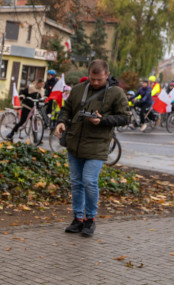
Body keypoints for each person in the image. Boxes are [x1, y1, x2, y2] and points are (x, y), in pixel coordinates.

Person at [53, 60, 129, 237]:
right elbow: (66, 109)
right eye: (92, 79)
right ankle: (78, 218)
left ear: (107, 76)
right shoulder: (78, 89)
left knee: (89, 181)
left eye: (99, 80)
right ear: (88, 74)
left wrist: (102, 120)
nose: (95, 83)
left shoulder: (116, 93)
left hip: (97, 144)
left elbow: (125, 118)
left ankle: (90, 219)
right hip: (74, 144)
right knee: (76, 182)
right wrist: (61, 122)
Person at [5, 73, 44, 140]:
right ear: (37, 83)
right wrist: (22, 96)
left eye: (43, 85)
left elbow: (41, 98)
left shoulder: (42, 90)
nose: (42, 86)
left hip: (34, 108)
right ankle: (11, 133)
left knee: (34, 122)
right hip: (27, 107)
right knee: (22, 121)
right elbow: (22, 92)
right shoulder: (31, 88)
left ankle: (35, 139)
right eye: (41, 84)